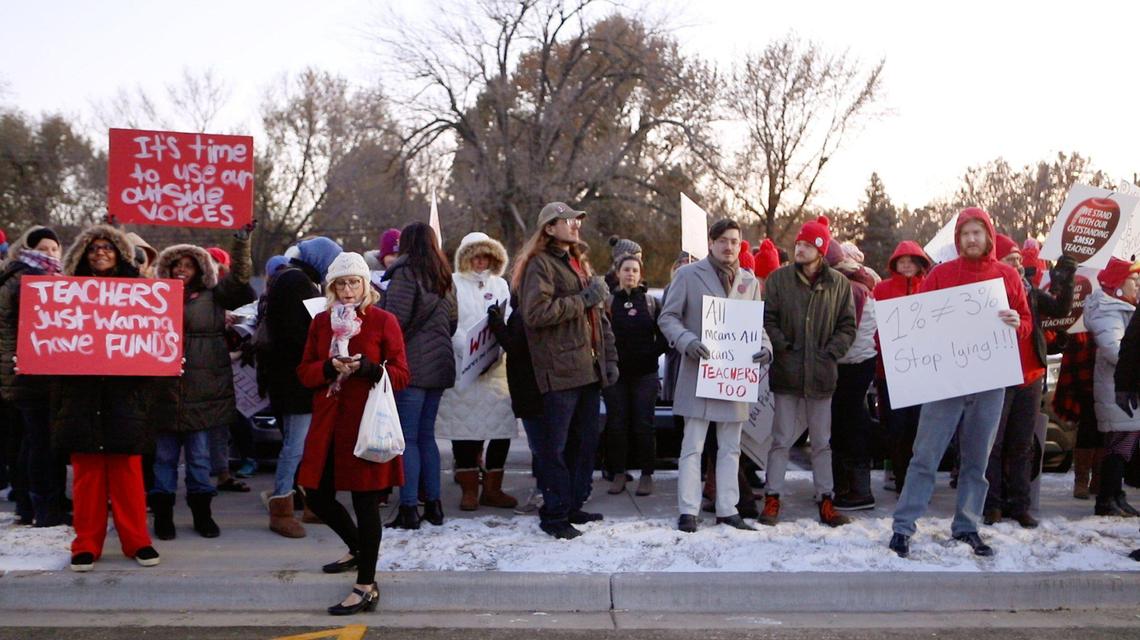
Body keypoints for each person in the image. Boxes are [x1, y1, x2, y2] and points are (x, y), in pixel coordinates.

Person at [888, 208, 1032, 559]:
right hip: (944, 382)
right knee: (925, 456)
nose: (971, 239)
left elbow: (1027, 324)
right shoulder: (941, 274)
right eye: (965, 233)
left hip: (989, 383)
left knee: (976, 460)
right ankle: (903, 527)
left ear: (988, 237)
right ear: (957, 239)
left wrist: (1018, 322)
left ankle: (967, 526)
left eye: (977, 233)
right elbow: (919, 322)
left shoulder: (1007, 276)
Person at [296, 252, 411, 616]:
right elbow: (304, 372)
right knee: (315, 492)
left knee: (365, 502)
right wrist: (329, 368)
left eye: (353, 282)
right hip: (328, 423)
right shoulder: (320, 322)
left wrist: (372, 370)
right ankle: (360, 548)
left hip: (366, 425)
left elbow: (403, 375)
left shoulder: (382, 321)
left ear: (366, 285)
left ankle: (366, 584)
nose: (347, 290)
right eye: (340, 283)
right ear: (331, 287)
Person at [53, 225, 161, 571]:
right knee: (86, 477)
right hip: (80, 396)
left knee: (128, 473)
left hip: (123, 395)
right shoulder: (64, 293)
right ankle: (86, 543)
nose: (101, 252)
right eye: (93, 248)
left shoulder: (141, 292)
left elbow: (155, 337)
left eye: (108, 247)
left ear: (119, 252)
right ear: (83, 254)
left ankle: (137, 542)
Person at [659, 218, 770, 533]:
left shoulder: (749, 282)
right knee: (692, 446)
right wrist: (687, 341)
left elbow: (756, 325)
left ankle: (728, 509)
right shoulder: (688, 275)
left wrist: (765, 348)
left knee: (731, 447)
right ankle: (688, 510)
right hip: (699, 373)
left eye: (734, 241)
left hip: (733, 376)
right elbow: (668, 317)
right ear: (711, 243)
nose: (729, 246)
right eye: (723, 240)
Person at [517, 201, 618, 539]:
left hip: (588, 371)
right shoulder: (540, 266)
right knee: (555, 448)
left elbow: (598, 319)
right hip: (559, 371)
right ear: (548, 228)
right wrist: (584, 299)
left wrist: (609, 361)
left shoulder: (577, 263)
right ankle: (555, 514)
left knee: (583, 444)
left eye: (577, 220)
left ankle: (573, 505)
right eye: (567, 220)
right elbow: (536, 314)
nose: (575, 225)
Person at [149, 228, 256, 540]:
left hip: (203, 389)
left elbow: (239, 282)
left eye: (188, 264)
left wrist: (241, 243)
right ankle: (164, 515)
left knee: (198, 459)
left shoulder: (215, 296)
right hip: (164, 391)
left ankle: (202, 514)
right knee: (164, 459)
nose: (181, 270)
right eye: (176, 265)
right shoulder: (154, 298)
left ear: (200, 269)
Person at [760, 216, 856, 527]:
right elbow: (768, 319)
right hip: (787, 373)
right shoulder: (778, 280)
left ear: (820, 249)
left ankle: (826, 499)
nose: (799, 249)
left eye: (806, 244)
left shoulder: (838, 284)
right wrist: (782, 346)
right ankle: (772, 497)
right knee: (781, 440)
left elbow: (847, 326)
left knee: (821, 442)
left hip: (821, 375)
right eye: (798, 243)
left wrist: (830, 353)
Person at [983, 236, 1075, 528]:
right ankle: (993, 504)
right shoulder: (986, 294)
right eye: (1010, 259)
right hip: (999, 377)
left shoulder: (1031, 292)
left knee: (1023, 444)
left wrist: (1065, 277)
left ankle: (1019, 505)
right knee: (994, 445)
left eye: (1018, 259)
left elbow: (1060, 310)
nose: (1017, 264)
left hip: (1031, 376)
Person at [259, 236, 344, 538]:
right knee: (295, 446)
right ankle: (281, 508)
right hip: (295, 380)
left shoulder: (290, 279)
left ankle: (309, 504)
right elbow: (298, 334)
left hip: (294, 377)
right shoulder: (296, 282)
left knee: (305, 445)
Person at [381, 222, 458, 529]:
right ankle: (435, 506)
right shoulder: (444, 276)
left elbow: (395, 323)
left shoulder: (405, 273)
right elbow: (453, 322)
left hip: (411, 366)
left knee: (408, 439)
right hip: (440, 365)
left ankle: (409, 508)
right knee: (427, 437)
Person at [435, 232, 519, 511]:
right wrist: (465, 348)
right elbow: (451, 322)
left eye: (487, 256)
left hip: (496, 367)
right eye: (476, 256)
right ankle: (469, 489)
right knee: (465, 428)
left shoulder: (501, 285)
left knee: (500, 428)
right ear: (465, 258)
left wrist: (499, 346)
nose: (481, 261)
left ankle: (493, 489)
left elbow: (506, 319)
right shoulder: (453, 284)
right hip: (464, 367)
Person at [0, 225, 68, 527]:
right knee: (39, 442)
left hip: (32, 371)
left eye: (54, 249)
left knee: (32, 440)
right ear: (28, 250)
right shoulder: (27, 280)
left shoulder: (30, 276)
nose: (50, 254)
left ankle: (33, 503)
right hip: (29, 372)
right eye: (43, 249)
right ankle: (42, 507)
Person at [872, 241, 932, 495]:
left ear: (920, 263)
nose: (906, 264)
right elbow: (873, 327)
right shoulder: (882, 290)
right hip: (890, 372)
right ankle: (901, 480)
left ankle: (918, 483)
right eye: (902, 260)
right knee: (895, 429)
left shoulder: (930, 288)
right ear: (894, 263)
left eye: (911, 260)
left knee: (920, 430)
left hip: (922, 374)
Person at [605, 254, 667, 497]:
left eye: (634, 270)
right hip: (615, 376)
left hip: (645, 374)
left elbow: (664, 334)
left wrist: (652, 352)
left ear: (640, 275)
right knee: (616, 425)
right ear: (618, 273)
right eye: (626, 270)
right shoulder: (608, 302)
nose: (630, 274)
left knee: (644, 425)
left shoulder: (650, 303)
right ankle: (618, 473)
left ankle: (647, 475)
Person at [1086, 257, 1140, 517]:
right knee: (1119, 445)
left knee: (1124, 444)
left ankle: (1115, 495)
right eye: (1133, 280)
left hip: (1122, 390)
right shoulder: (1109, 311)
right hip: (1116, 390)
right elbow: (1115, 350)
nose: (1137, 285)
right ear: (1118, 284)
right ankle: (1107, 497)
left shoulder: (1122, 308)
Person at [828, 244, 879, 511]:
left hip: (852, 362)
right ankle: (848, 486)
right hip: (855, 360)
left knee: (848, 423)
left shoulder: (851, 289)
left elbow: (847, 328)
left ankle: (858, 489)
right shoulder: (857, 284)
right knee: (848, 421)